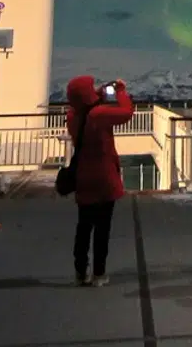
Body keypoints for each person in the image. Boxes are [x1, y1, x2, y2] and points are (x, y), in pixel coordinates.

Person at [65, 75, 135, 286]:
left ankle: (80, 271)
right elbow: (126, 112)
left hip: (84, 178)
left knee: (84, 226)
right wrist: (120, 91)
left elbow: (86, 106)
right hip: (104, 178)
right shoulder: (99, 115)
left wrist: (98, 94)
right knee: (102, 229)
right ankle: (99, 274)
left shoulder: (72, 116)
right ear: (87, 93)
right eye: (91, 87)